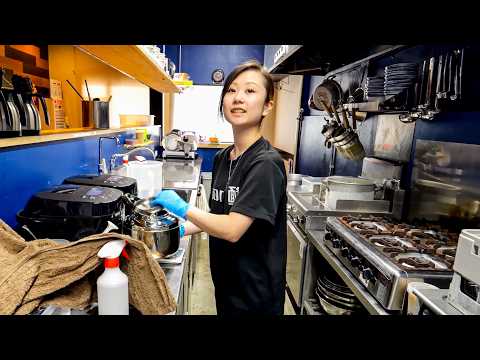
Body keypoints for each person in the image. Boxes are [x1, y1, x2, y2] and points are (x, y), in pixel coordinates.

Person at [152, 60, 287, 315]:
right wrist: (175, 231)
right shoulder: (223, 158)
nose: (238, 98)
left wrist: (181, 208)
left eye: (250, 91)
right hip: (227, 286)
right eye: (231, 90)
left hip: (256, 296)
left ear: (268, 105)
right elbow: (218, 218)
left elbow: (232, 229)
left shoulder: (266, 164)